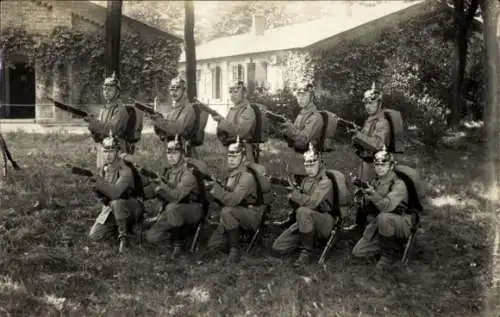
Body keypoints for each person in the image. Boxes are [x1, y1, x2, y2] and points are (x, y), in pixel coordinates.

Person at [271, 143, 335, 266]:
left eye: (312, 163)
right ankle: (311, 239)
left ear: (320, 162)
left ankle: (306, 252)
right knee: (278, 247)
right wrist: (290, 192)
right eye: (307, 164)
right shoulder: (306, 181)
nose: (309, 167)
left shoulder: (325, 182)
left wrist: (295, 195)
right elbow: (298, 203)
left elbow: (312, 204)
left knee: (303, 211)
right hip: (306, 220)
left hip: (324, 221)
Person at [143, 135, 205, 259]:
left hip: (193, 208)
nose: (171, 156)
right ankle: (181, 234)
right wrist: (146, 182)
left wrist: (160, 186)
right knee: (151, 237)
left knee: (172, 207)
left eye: (175, 153)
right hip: (174, 210)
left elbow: (176, 196)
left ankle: (178, 246)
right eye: (168, 153)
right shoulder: (169, 170)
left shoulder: (189, 172)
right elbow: (153, 193)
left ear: (183, 154)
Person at [351, 146, 412, 270]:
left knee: (384, 217)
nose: (379, 167)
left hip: (401, 221)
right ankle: (391, 243)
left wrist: (373, 194)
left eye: (383, 165)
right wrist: (361, 198)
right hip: (381, 223)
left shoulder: (398, 184)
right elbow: (371, 206)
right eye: (377, 164)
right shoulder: (376, 182)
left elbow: (387, 207)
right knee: (357, 253)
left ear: (391, 166)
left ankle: (387, 256)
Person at [205, 136, 265, 263]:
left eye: (235, 155)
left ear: (243, 157)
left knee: (227, 211)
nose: (231, 159)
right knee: (214, 245)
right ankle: (241, 236)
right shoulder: (231, 173)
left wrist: (216, 189)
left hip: (251, 214)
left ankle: (234, 251)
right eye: (229, 155)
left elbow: (232, 201)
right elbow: (224, 196)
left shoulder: (247, 176)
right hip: (236, 213)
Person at [88, 131, 144, 253]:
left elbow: (115, 193)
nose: (108, 155)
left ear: (118, 152)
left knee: (117, 203)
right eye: (106, 151)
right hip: (112, 208)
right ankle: (120, 227)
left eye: (112, 151)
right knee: (95, 236)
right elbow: (104, 197)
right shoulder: (104, 169)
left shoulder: (125, 170)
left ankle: (124, 238)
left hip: (132, 207)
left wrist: (100, 184)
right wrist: (97, 190)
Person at [281, 83, 324, 184]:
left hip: (310, 160)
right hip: (298, 157)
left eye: (304, 95)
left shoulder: (315, 117)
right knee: (298, 187)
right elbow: (294, 137)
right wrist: (285, 131)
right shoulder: (302, 113)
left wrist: (290, 129)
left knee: (308, 190)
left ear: (311, 97)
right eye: (298, 95)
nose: (300, 98)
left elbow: (304, 139)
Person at [89, 72, 132, 173]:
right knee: (102, 174)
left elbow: (112, 129)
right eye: (104, 88)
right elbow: (99, 131)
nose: (106, 91)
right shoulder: (104, 109)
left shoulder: (120, 109)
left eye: (110, 89)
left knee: (113, 178)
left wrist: (94, 123)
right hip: (104, 147)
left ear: (117, 92)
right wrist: (93, 129)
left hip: (116, 149)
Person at [351, 82, 391, 182]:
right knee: (362, 188)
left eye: (371, 103)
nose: (368, 106)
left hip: (377, 165)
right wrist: (356, 133)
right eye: (366, 103)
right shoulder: (370, 120)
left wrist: (358, 135)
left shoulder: (382, 122)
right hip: (365, 161)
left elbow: (377, 144)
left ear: (379, 104)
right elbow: (365, 138)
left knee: (372, 192)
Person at [212, 81, 259, 163]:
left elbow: (241, 131)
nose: (232, 95)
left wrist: (221, 121)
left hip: (244, 153)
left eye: (236, 92)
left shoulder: (247, 110)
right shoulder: (233, 109)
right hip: (231, 151)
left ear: (244, 93)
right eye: (230, 92)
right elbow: (229, 126)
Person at [152, 78, 199, 157]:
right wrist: (156, 121)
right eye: (171, 90)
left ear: (184, 91)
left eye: (177, 89)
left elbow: (178, 128)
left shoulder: (188, 108)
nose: (173, 93)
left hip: (185, 154)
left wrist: (159, 121)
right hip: (172, 152)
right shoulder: (173, 109)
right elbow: (164, 131)